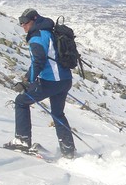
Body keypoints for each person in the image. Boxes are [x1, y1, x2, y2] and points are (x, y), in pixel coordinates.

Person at [4, 8, 76, 157]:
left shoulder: (37, 37)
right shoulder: (50, 31)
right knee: (57, 113)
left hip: (50, 82)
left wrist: (26, 82)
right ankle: (68, 150)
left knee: (21, 102)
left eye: (25, 22)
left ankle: (22, 141)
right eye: (20, 22)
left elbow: (38, 62)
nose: (22, 25)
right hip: (65, 80)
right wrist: (28, 78)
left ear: (34, 20)